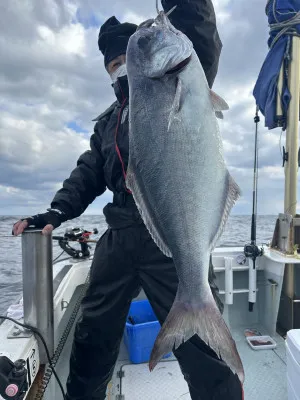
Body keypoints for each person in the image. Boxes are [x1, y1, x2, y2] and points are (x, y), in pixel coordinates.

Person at [13, 1, 243, 399]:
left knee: (203, 353)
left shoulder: (181, 77)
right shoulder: (108, 121)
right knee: (92, 338)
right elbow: (88, 173)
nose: (118, 67)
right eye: (111, 64)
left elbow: (199, 30)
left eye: (122, 58)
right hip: (118, 237)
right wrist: (56, 210)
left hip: (171, 241)